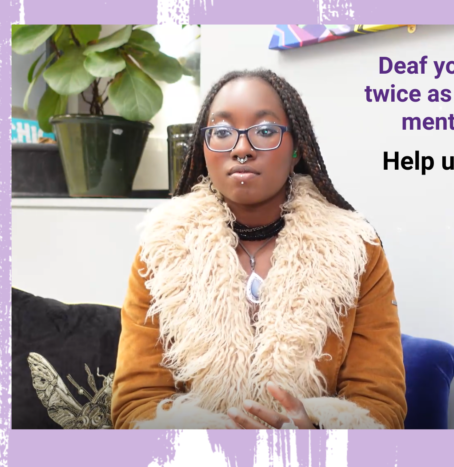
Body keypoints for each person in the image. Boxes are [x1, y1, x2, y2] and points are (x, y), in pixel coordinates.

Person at [111, 69, 406, 429]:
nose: (241, 148)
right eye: (221, 132)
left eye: (265, 131)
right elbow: (134, 404)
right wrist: (213, 437)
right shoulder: (163, 247)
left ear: (297, 148)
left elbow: (381, 404)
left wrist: (314, 429)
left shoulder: (356, 249)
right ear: (203, 149)